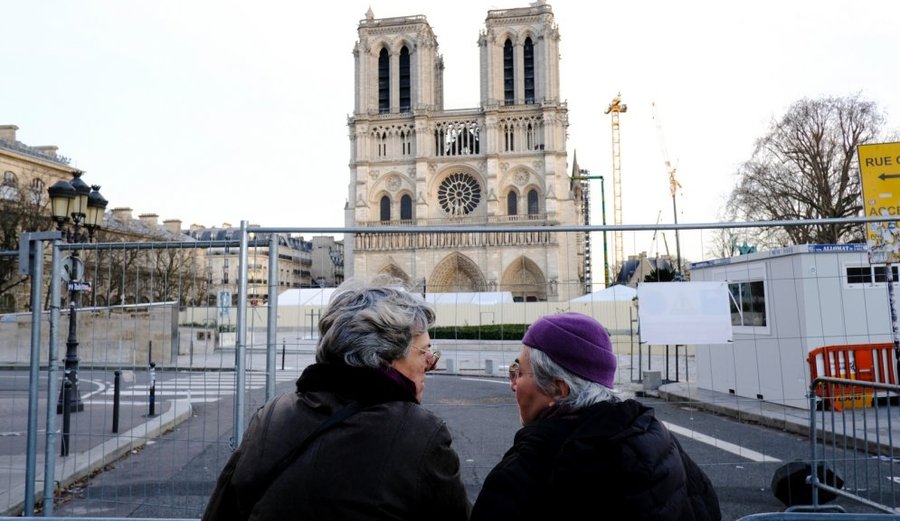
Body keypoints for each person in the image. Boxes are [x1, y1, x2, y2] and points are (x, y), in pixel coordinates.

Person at [202, 279, 470, 521]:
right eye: (424, 352)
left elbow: (221, 512)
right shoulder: (420, 433)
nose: (430, 363)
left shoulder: (272, 416)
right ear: (385, 356)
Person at [471, 311, 721, 521]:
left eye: (519, 372)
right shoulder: (658, 440)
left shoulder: (523, 474)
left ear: (560, 389)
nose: (513, 384)